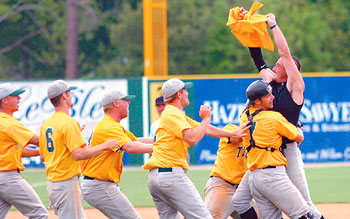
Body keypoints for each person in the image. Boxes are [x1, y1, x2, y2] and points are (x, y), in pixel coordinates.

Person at [246, 13, 323, 218]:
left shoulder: (295, 87)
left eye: (279, 64)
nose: (276, 64)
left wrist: (273, 25)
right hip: (268, 152)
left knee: (304, 202)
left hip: (288, 148)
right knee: (245, 199)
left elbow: (285, 54)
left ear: (289, 71)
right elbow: (257, 56)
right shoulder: (270, 81)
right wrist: (250, 25)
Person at [142, 78, 250, 219]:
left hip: (157, 177)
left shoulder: (176, 114)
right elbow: (192, 138)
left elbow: (205, 130)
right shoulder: (172, 113)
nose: (187, 92)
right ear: (179, 94)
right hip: (170, 175)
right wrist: (206, 119)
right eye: (185, 90)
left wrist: (230, 133)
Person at [39, 80, 119, 219]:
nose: (71, 96)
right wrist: (105, 145)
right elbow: (79, 154)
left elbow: (43, 156)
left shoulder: (47, 123)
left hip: (53, 183)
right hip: (66, 183)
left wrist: (74, 135)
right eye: (70, 93)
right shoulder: (68, 122)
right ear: (64, 95)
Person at [236, 80, 314, 219]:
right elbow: (298, 137)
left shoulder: (244, 115)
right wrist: (297, 126)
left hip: (254, 178)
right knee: (303, 214)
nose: (273, 97)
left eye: (272, 94)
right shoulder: (273, 118)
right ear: (257, 102)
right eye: (268, 96)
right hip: (272, 175)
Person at [81, 89, 153, 219]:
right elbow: (130, 147)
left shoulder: (112, 124)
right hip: (98, 185)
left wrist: (165, 141)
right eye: (126, 100)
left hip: (99, 184)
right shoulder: (109, 126)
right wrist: (161, 149)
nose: (129, 102)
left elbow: (135, 141)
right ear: (116, 103)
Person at [0, 83, 48, 219]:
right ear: (5, 100)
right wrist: (65, 137)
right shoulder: (8, 123)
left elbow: (15, 150)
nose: (19, 98)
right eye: (15, 96)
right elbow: (38, 140)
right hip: (7, 177)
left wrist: (39, 152)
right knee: (39, 214)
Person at [204, 124, 251, 219]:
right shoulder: (230, 128)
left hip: (242, 191)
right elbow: (234, 138)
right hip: (223, 186)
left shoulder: (261, 135)